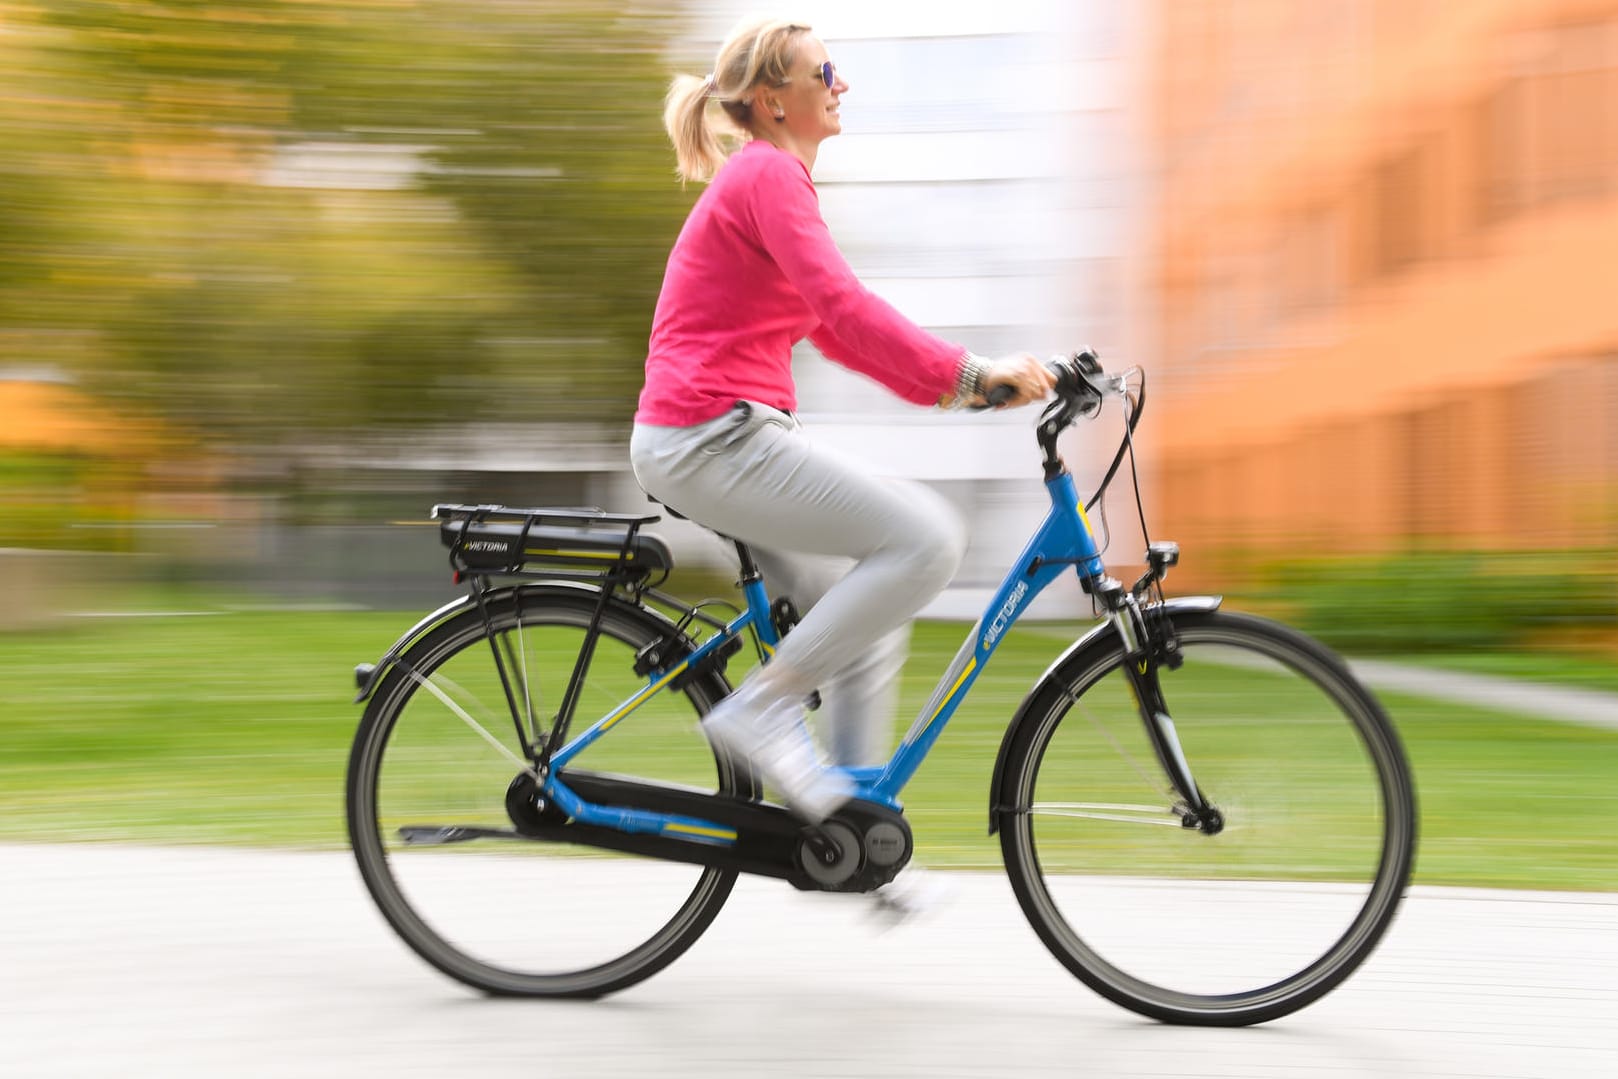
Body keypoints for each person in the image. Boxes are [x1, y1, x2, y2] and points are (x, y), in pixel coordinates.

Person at [630, 17, 1054, 825]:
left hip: (720, 434)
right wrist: (969, 374)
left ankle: (856, 828)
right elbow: (845, 308)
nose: (841, 86)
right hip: (709, 433)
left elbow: (832, 329)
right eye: (824, 74)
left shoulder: (768, 181)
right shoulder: (768, 176)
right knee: (928, 536)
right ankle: (764, 708)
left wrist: (962, 388)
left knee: (865, 616)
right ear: (772, 100)